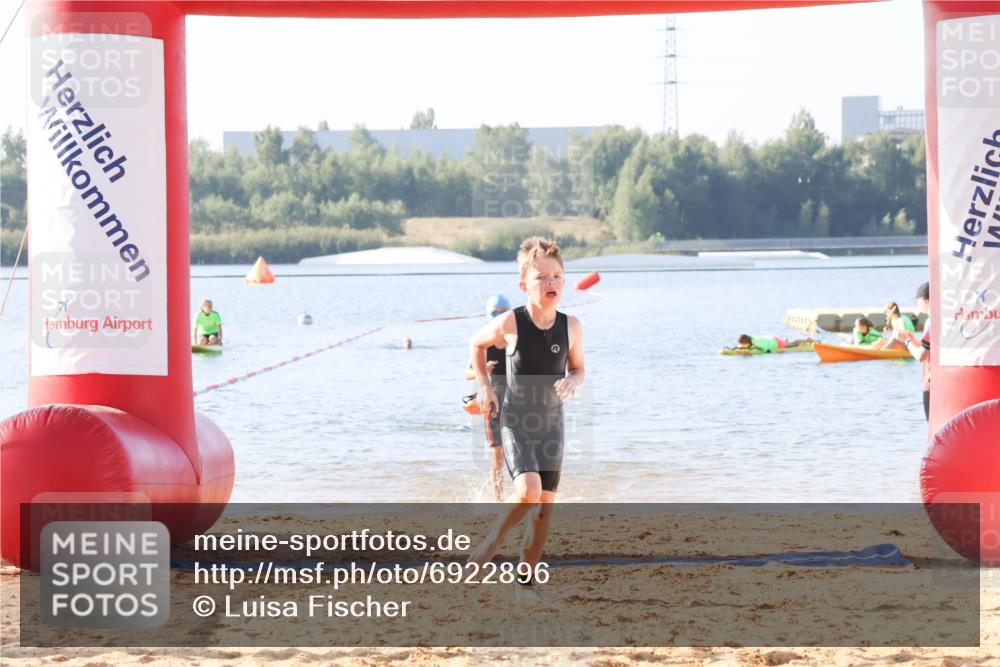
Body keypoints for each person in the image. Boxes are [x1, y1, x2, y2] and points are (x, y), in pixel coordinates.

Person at [466, 237, 585, 601]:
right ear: (524, 285)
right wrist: (484, 386)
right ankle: (490, 544)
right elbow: (476, 343)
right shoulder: (510, 322)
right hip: (517, 420)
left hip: (552, 425)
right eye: (542, 277)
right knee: (529, 492)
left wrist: (573, 381)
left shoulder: (572, 326)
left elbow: (579, 369)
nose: (551, 283)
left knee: (544, 509)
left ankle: (525, 583)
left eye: (557, 276)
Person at [464, 294, 511, 502]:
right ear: (488, 316)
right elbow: (467, 372)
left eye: (502, 312)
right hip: (491, 404)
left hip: (516, 402)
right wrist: (483, 371)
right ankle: (498, 500)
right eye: (494, 312)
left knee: (521, 454)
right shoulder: (483, 343)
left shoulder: (515, 341)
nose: (498, 315)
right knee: (497, 456)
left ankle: (524, 495)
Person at [890, 282, 931, 420]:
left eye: (917, 301)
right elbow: (929, 348)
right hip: (944, 382)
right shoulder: (943, 319)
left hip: (932, 384)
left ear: (923, 300)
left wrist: (906, 341)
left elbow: (921, 356)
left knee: (934, 432)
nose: (917, 305)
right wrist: (913, 339)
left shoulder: (932, 322)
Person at [734, 334, 814, 353]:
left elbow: (765, 348)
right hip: (772, 339)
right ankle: (785, 340)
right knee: (786, 343)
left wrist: (764, 351)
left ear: (746, 341)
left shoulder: (756, 342)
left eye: (742, 343)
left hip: (776, 343)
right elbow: (741, 346)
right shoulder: (751, 340)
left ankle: (808, 340)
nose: (741, 345)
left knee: (793, 344)